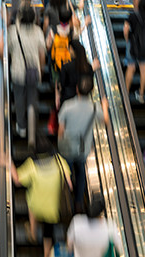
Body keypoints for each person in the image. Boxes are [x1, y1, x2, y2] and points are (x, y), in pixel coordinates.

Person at [1, 135, 73, 257]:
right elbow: (69, 185)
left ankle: (33, 233)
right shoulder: (59, 160)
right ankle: (46, 253)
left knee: (31, 201)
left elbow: (17, 180)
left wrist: (9, 163)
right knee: (48, 231)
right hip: (54, 209)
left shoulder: (32, 165)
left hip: (37, 206)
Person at [58, 75, 108, 211]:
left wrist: (60, 146)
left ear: (77, 89)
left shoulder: (67, 106)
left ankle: (64, 195)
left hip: (67, 147)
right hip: (83, 148)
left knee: (65, 171)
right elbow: (106, 121)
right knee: (81, 173)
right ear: (91, 91)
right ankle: (79, 202)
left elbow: (61, 130)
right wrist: (104, 106)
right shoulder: (95, 107)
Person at [2, 6, 45, 138]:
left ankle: (21, 127)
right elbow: (42, 54)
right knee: (32, 98)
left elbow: (7, 51)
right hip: (33, 72)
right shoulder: (38, 31)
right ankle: (32, 128)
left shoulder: (13, 31)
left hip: (18, 72)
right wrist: (41, 71)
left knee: (19, 99)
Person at [57, 41, 100, 107]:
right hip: (84, 102)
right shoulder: (87, 67)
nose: (68, 51)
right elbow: (90, 84)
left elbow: (62, 84)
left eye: (69, 49)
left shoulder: (66, 67)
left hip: (68, 101)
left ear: (73, 50)